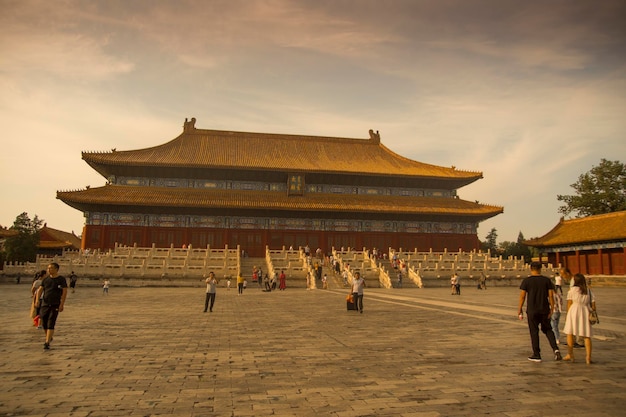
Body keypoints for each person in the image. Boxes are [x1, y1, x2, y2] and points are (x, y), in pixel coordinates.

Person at [518, 262, 561, 362]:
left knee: (534, 331)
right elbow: (551, 295)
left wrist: (519, 308)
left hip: (532, 310)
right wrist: (552, 308)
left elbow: (522, 296)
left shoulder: (527, 281)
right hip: (544, 309)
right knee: (548, 330)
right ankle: (556, 349)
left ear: (531, 269)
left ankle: (537, 354)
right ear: (540, 269)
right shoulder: (546, 280)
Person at [562, 273, 595, 364]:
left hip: (574, 310)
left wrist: (567, 314)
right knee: (586, 335)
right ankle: (588, 357)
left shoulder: (572, 290)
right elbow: (593, 304)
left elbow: (569, 303)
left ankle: (570, 354)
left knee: (570, 333)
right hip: (585, 311)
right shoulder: (588, 290)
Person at [34, 263, 68, 350]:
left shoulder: (61, 279)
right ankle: (49, 336)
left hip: (55, 304)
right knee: (44, 322)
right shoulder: (46, 280)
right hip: (45, 304)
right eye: (48, 268)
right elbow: (40, 290)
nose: (49, 270)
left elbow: (64, 292)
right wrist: (37, 300)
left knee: (51, 322)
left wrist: (62, 303)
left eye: (51, 268)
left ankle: (47, 342)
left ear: (56, 269)